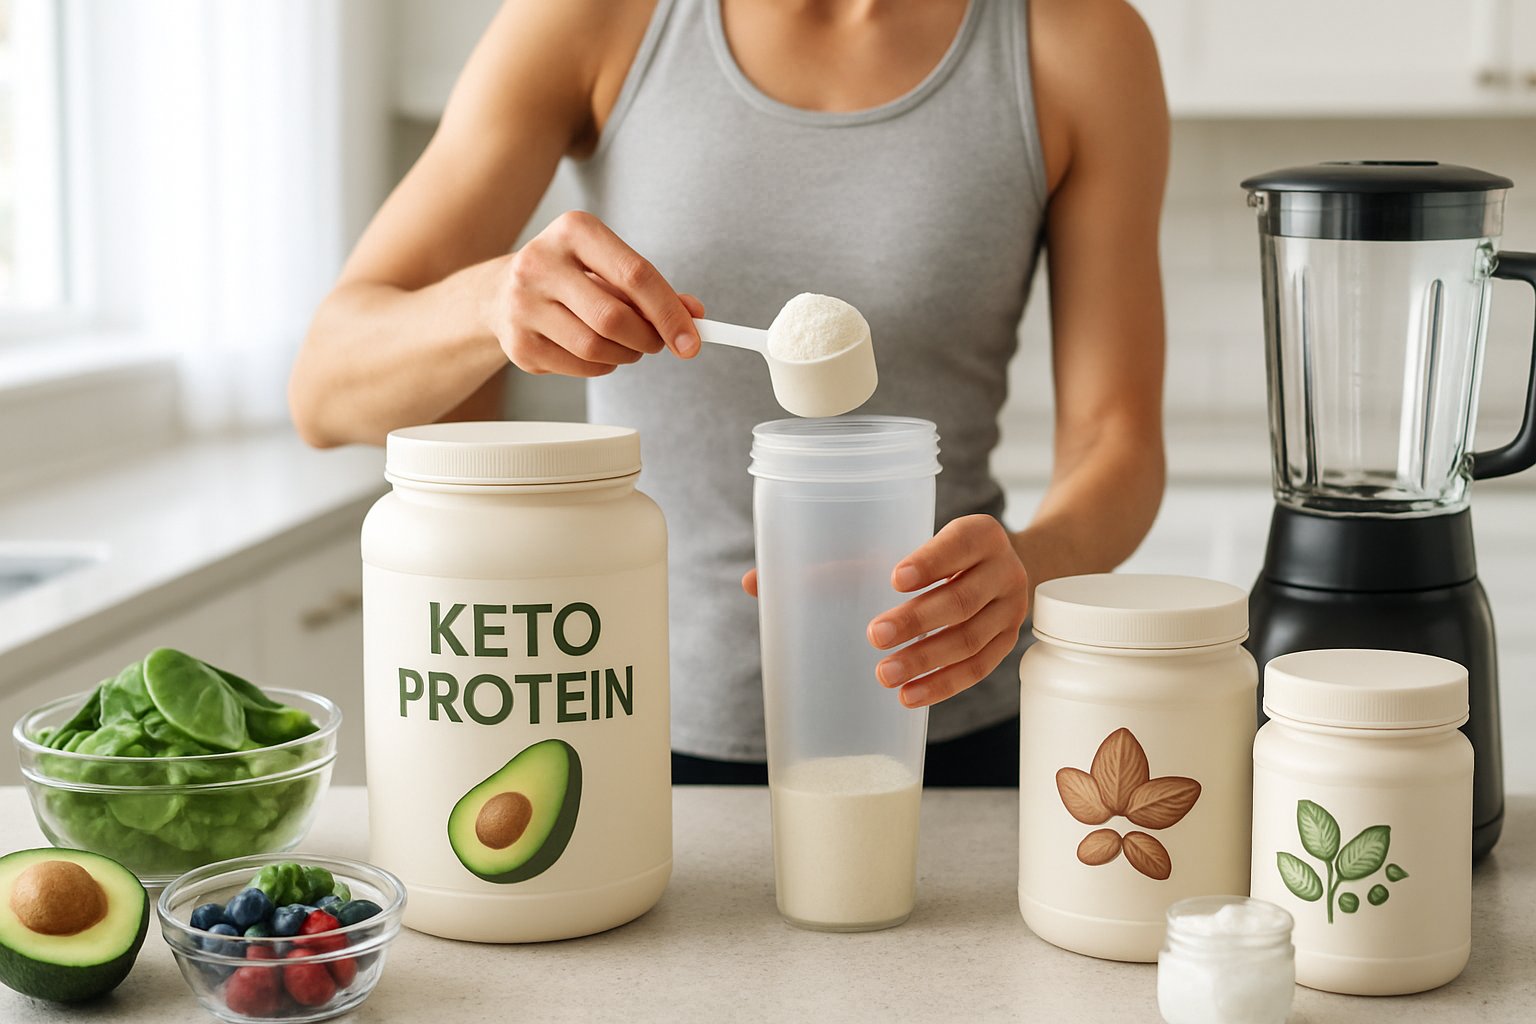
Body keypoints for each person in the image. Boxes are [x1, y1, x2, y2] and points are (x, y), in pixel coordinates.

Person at [291, 0, 1167, 786]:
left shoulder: (1078, 43)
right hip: (623, 726)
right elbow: (326, 390)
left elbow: (1116, 443)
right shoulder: (595, 18)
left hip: (952, 733)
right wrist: (490, 302)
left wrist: (1028, 566)